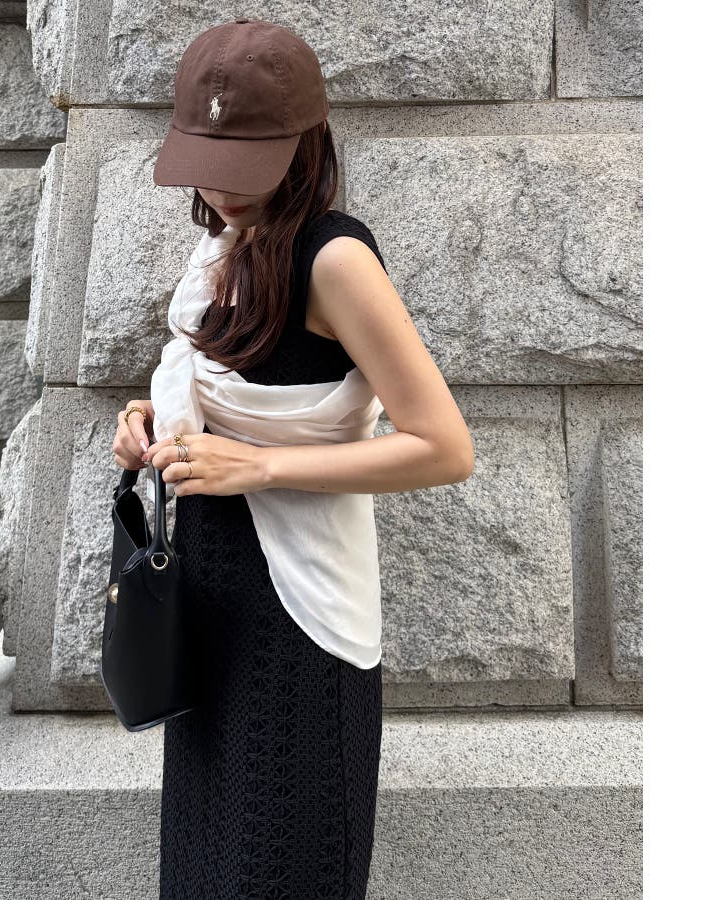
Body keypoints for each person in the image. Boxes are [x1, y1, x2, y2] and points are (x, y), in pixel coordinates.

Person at [111, 19, 474, 900]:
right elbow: (231, 386)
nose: (221, 188)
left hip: (300, 624)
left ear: (305, 143)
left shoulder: (335, 259)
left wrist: (260, 466)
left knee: (281, 869)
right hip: (212, 609)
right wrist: (150, 424)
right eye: (207, 161)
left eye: (245, 165)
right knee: (205, 870)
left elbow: (444, 447)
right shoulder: (226, 245)